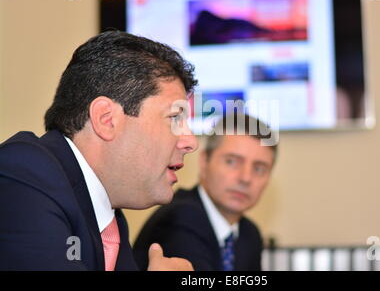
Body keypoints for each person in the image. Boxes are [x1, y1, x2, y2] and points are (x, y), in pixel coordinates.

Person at [0, 30, 199, 270]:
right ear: (106, 119)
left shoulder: (111, 220)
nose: (190, 142)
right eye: (175, 118)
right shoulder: (24, 175)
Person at [133, 113, 278, 271]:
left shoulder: (249, 234)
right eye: (231, 161)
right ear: (204, 162)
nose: (245, 178)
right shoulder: (181, 218)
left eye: (259, 168)